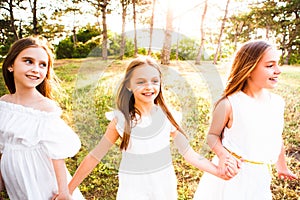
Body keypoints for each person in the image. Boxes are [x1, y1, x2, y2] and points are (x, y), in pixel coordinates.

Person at [68, 56, 238, 199]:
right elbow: (94, 156)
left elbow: (190, 154)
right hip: (133, 190)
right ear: (129, 85)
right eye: (141, 82)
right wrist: (67, 190)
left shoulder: (167, 117)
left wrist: (218, 172)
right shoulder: (121, 120)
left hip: (163, 188)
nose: (149, 87)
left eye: (154, 81)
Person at [193, 40, 298, 200]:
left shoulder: (277, 103)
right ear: (248, 69)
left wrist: (281, 166)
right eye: (270, 66)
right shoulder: (229, 104)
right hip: (232, 176)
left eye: (277, 64)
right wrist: (223, 156)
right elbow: (212, 136)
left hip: (260, 177)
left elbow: (276, 137)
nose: (278, 70)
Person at [0, 36, 84, 200]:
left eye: (42, 65)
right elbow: (3, 147)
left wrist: (64, 192)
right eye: (28, 61)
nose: (36, 69)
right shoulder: (4, 103)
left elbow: (56, 154)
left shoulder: (45, 108)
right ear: (11, 65)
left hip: (40, 178)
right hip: (16, 180)